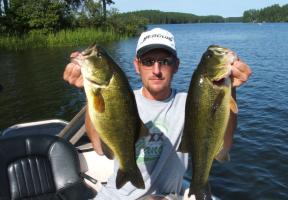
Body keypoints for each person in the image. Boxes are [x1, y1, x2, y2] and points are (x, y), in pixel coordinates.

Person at [63, 28, 252, 200]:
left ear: (176, 65)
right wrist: (89, 92)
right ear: (137, 65)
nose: (156, 70)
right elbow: (98, 146)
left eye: (164, 61)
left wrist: (230, 89)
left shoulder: (193, 103)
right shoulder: (122, 100)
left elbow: (223, 147)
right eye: (148, 61)